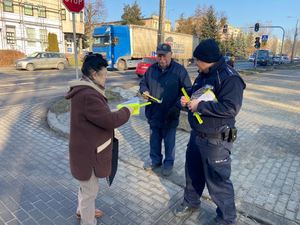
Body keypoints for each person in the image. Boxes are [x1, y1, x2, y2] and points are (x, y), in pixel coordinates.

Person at [174, 39, 246, 225]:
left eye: (197, 60)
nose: (196, 64)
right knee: (192, 173)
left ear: (207, 59)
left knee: (218, 182)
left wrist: (201, 106)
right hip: (196, 135)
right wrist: (187, 98)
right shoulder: (204, 74)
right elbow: (197, 92)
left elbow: (231, 108)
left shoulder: (230, 78)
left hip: (217, 141)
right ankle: (191, 202)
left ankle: (226, 219)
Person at [65, 53, 133, 225]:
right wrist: (128, 110)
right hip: (87, 154)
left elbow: (99, 117)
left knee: (85, 186)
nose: (106, 79)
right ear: (94, 74)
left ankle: (82, 210)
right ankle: (88, 219)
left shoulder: (85, 89)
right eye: (104, 75)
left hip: (84, 150)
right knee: (90, 192)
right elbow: (109, 121)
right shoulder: (88, 95)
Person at [139, 43, 192, 176]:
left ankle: (168, 163)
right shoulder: (151, 70)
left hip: (170, 113)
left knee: (169, 142)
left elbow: (188, 91)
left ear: (170, 55)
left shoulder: (179, 71)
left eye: (164, 56)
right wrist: (144, 90)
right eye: (159, 56)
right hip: (153, 112)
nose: (162, 59)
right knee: (154, 141)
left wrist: (178, 105)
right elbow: (143, 83)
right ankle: (155, 161)